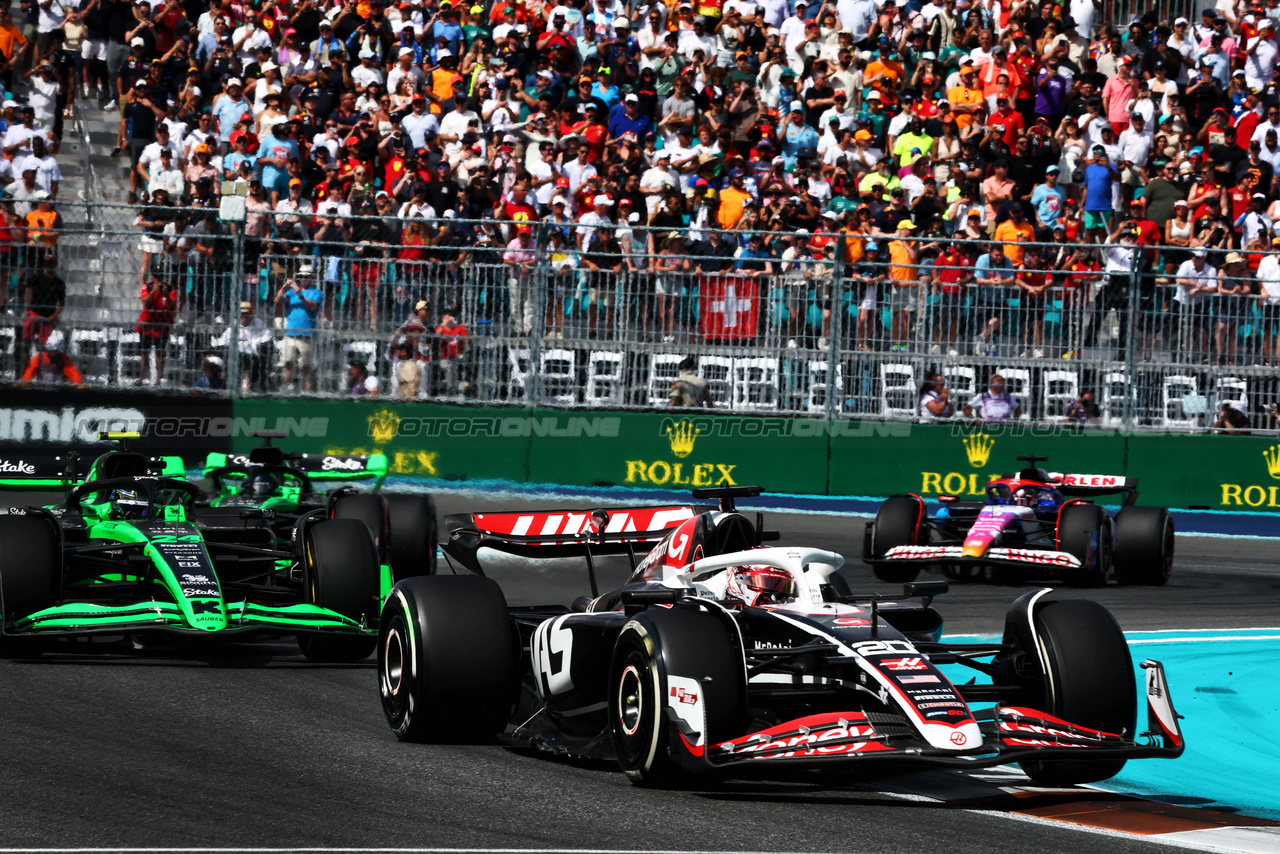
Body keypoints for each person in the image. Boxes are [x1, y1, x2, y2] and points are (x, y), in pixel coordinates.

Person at [277, 264, 323, 392]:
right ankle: (285, 386)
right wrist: (284, 287)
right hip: (291, 333)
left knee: (306, 365)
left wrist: (300, 294)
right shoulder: (291, 292)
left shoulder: (317, 292)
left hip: (307, 334)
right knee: (288, 362)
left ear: (311, 277)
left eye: (306, 276)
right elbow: (278, 299)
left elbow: (312, 307)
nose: (303, 279)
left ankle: (306, 389)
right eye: (301, 276)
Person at [136, 276, 177, 385]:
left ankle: (158, 380)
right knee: (144, 353)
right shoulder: (147, 287)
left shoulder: (170, 289)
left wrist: (167, 295)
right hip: (147, 326)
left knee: (160, 353)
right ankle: (140, 379)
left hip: (162, 326)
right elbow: (145, 302)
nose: (159, 281)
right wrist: (154, 292)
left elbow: (172, 306)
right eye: (156, 277)